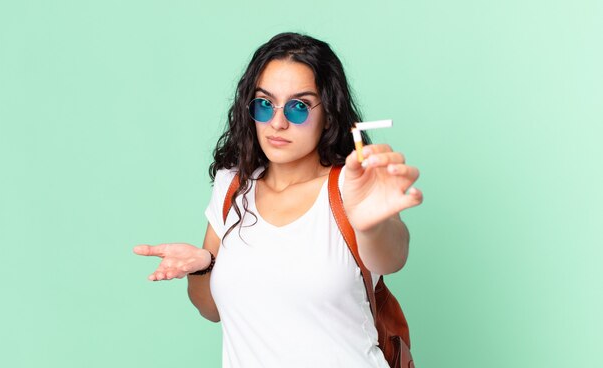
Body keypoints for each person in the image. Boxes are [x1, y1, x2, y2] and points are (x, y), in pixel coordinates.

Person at [133, 32, 423, 368]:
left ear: (329, 114)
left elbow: (392, 258)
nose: (278, 122)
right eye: (264, 104)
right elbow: (211, 310)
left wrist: (371, 226)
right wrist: (202, 266)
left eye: (299, 107)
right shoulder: (233, 187)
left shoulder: (352, 184)